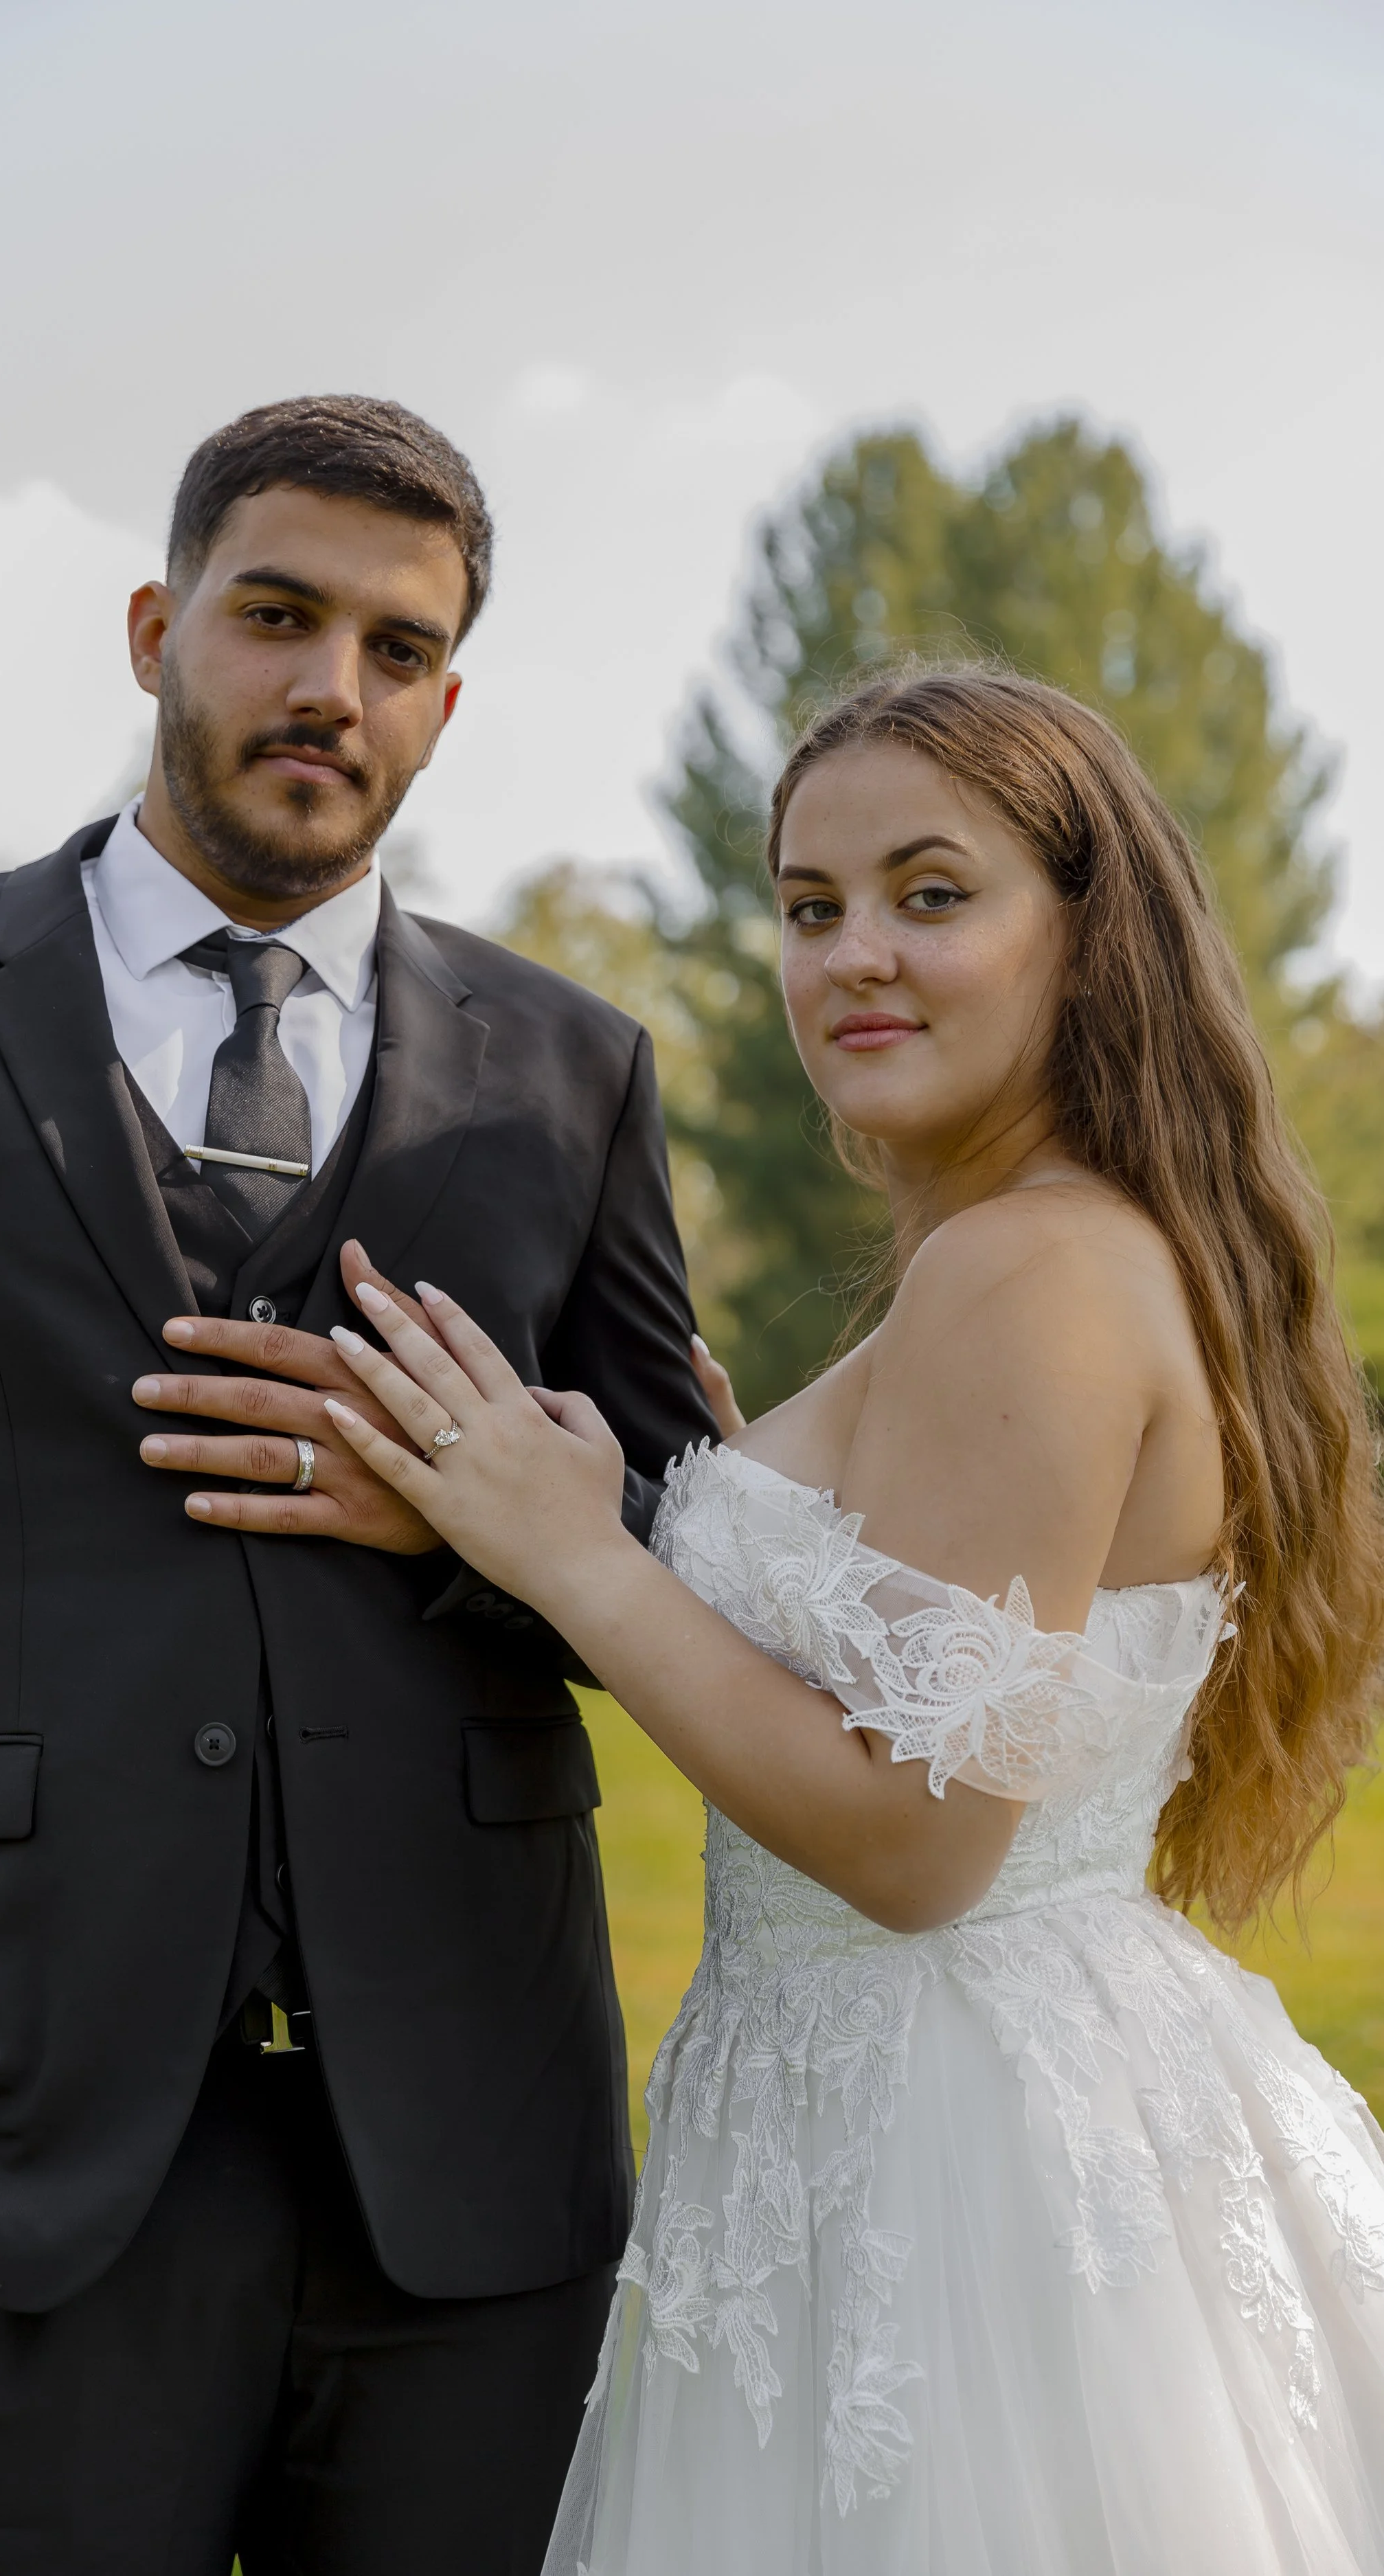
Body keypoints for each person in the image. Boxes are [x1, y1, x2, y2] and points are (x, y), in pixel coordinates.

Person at [0, 394, 718, 2575]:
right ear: (158, 625)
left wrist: (478, 1528)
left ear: (445, 699)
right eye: (277, 614)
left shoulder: (570, 1071)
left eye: (400, 647)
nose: (332, 684)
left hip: (473, 2188)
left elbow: (679, 1564)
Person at [317, 666, 1384, 2575]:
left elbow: (916, 1840)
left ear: (1086, 928)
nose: (850, 957)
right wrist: (706, 1505)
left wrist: (580, 1554)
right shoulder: (1045, 1247)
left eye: (927, 892)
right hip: (924, 2107)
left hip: (950, 2166)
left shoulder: (1026, 1265)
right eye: (808, 907)